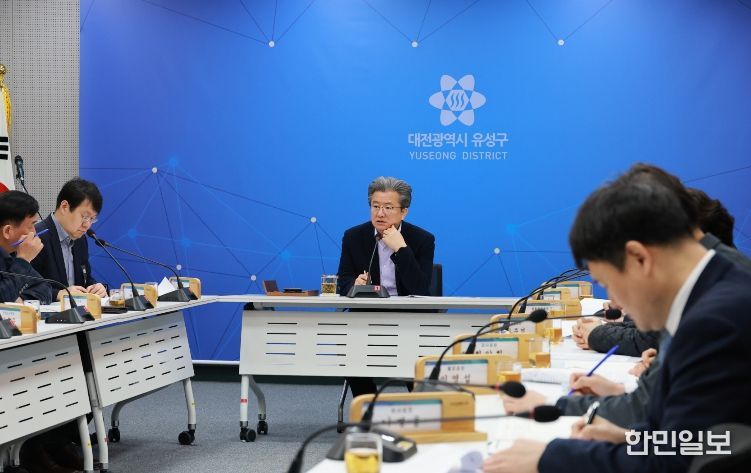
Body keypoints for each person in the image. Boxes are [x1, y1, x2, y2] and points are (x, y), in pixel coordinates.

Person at [484, 165, 751, 473]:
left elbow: (678, 465)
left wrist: (550, 458)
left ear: (639, 258)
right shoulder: (717, 287)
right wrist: (634, 439)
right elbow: (706, 441)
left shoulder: (714, 321)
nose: (615, 302)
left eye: (608, 283)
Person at [337, 176, 435, 396]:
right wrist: (355, 283)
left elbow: (420, 289)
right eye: (375, 206)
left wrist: (401, 249)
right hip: (367, 316)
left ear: (404, 212)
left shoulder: (422, 239)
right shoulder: (353, 237)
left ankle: (419, 405)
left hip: (411, 318)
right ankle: (367, 406)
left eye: (388, 207)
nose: (380, 213)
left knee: (415, 364)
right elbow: (343, 280)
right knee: (350, 348)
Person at [32, 177, 107, 299]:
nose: (87, 225)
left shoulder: (81, 239)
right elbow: (24, 287)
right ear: (64, 207)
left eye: (92, 219)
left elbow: (84, 280)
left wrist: (95, 287)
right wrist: (58, 294)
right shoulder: (37, 236)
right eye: (84, 216)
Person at [0, 191, 52, 303]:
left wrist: (22, 300)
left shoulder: (11, 254)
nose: (35, 232)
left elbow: (45, 289)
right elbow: (3, 297)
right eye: (31, 226)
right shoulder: (21, 257)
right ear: (7, 231)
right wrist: (23, 260)